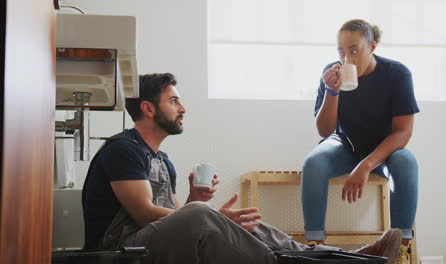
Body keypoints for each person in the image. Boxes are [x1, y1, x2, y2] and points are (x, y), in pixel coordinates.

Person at [83, 73, 403, 264]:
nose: (183, 109)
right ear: (148, 108)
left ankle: (346, 258)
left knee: (246, 224)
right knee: (206, 217)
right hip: (119, 252)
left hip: (149, 240)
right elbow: (144, 215)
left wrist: (196, 198)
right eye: (174, 101)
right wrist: (207, 214)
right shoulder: (124, 149)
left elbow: (171, 218)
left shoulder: (162, 160)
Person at [301, 19, 419, 264]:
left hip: (384, 150)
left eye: (354, 50)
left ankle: (401, 249)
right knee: (313, 163)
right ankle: (314, 248)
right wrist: (332, 92)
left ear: (372, 46)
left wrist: (365, 165)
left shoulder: (397, 74)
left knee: (406, 161)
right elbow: (325, 131)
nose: (347, 59)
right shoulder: (331, 72)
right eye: (341, 52)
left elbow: (403, 133)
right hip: (344, 145)